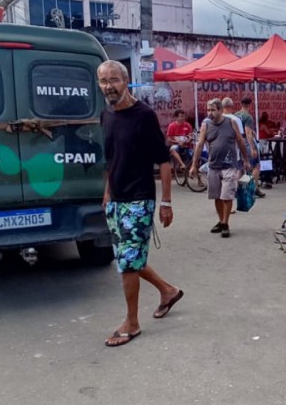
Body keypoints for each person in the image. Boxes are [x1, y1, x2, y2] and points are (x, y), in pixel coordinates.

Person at [97, 61, 183, 348]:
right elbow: (111, 160)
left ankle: (132, 323)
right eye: (103, 81)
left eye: (113, 80)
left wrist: (166, 202)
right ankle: (168, 291)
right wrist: (107, 193)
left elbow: (163, 161)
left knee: (127, 264)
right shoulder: (106, 115)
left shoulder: (144, 115)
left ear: (126, 80)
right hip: (116, 199)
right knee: (129, 258)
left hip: (138, 199)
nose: (108, 86)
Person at [190, 98, 251, 239]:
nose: (209, 113)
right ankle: (221, 220)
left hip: (230, 165)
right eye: (208, 110)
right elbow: (199, 145)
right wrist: (194, 165)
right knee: (216, 196)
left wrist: (246, 160)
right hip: (213, 165)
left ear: (220, 110)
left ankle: (225, 223)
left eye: (213, 110)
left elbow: (240, 141)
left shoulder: (231, 122)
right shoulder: (206, 125)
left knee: (226, 196)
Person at [232, 96, 266, 195]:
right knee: (255, 165)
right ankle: (254, 188)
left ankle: (236, 189)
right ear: (250, 105)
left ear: (241, 104)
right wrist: (252, 148)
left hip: (237, 142)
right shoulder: (248, 117)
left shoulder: (235, 115)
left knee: (240, 168)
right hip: (246, 142)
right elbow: (247, 132)